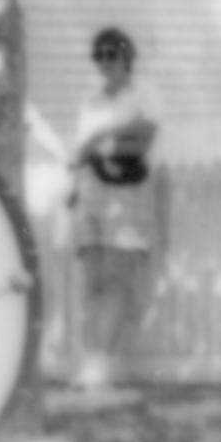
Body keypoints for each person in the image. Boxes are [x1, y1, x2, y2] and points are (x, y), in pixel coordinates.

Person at [68, 28, 161, 391]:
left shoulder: (144, 93)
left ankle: (99, 364)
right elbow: (82, 151)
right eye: (100, 56)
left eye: (113, 55)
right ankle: (92, 359)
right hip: (91, 188)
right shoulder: (90, 100)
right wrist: (104, 143)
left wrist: (98, 141)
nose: (106, 63)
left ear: (127, 58)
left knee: (120, 277)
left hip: (127, 191)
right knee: (94, 278)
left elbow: (145, 138)